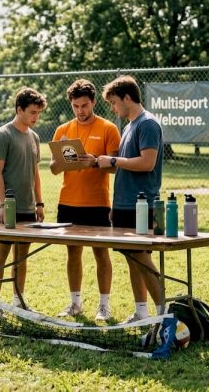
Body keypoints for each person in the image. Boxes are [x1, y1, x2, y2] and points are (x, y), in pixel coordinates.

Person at [50, 79, 121, 321]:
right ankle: (75, 303)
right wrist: (61, 163)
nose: (80, 111)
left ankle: (104, 306)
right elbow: (53, 168)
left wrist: (95, 161)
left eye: (84, 105)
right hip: (68, 202)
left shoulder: (108, 128)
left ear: (93, 103)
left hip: (98, 203)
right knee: (73, 254)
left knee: (101, 254)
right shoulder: (63, 130)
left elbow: (115, 167)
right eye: (75, 106)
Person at [96, 75, 164, 323]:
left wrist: (113, 160)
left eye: (114, 102)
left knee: (143, 259)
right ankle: (141, 312)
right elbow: (124, 168)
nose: (113, 108)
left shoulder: (147, 124)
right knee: (132, 259)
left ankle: (164, 315)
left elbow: (147, 163)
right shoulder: (129, 126)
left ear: (127, 98)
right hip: (125, 205)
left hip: (142, 205)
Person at [0, 88, 46, 309]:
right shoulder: (2, 135)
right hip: (6, 207)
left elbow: (36, 172)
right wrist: (3, 204)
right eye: (32, 112)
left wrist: (39, 202)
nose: (36, 117)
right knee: (1, 255)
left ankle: (18, 301)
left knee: (21, 257)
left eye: (38, 113)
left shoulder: (34, 137)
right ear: (19, 109)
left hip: (28, 207)